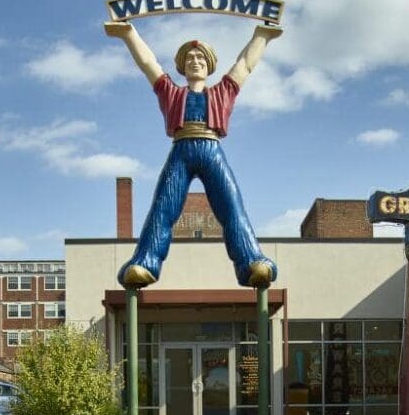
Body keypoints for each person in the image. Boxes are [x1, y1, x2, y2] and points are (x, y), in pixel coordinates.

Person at [103, 20, 282, 288]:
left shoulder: (223, 91)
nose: (195, 61)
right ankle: (145, 262)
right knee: (163, 207)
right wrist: (129, 34)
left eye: (200, 57)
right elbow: (149, 64)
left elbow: (245, 64)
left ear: (209, 65)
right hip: (181, 150)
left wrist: (262, 36)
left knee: (232, 207)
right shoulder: (171, 93)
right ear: (182, 66)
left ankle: (251, 261)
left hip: (212, 149)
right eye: (189, 58)